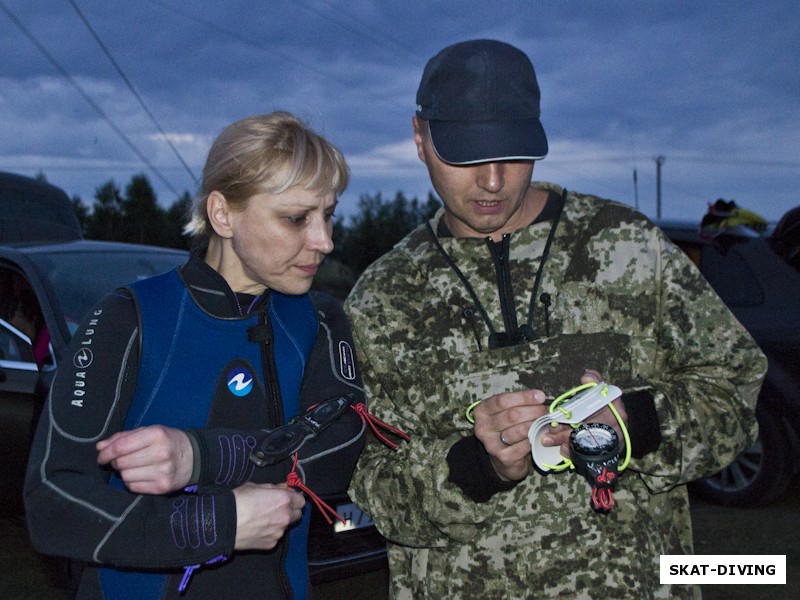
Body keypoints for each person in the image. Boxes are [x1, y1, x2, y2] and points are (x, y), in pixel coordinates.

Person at [345, 39, 767, 599]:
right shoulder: (383, 297)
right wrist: (474, 469)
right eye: (467, 155)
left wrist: (638, 424)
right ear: (420, 139)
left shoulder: (628, 247)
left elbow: (734, 390)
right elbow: (368, 484)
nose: (493, 180)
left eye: (514, 153)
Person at [24, 111, 368, 600]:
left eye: (328, 214)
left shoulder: (318, 318)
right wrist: (215, 523)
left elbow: (346, 445)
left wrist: (200, 457)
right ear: (223, 214)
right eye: (296, 218)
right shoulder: (130, 317)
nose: (324, 240)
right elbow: (53, 502)